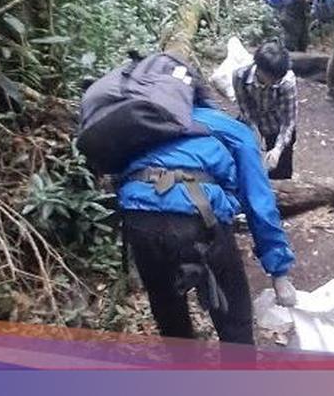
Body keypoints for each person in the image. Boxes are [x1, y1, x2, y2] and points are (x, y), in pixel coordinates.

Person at [117, 59, 297, 345]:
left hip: (138, 219)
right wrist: (279, 271)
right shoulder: (228, 128)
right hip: (198, 217)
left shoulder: (142, 123)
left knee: (170, 315)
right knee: (234, 318)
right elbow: (259, 201)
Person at [233, 41, 299, 180]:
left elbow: (288, 121)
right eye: (273, 79)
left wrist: (277, 150)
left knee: (280, 172)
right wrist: (254, 132)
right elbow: (245, 107)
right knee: (246, 163)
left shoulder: (287, 82)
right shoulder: (240, 77)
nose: (276, 82)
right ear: (259, 69)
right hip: (251, 121)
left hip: (277, 125)